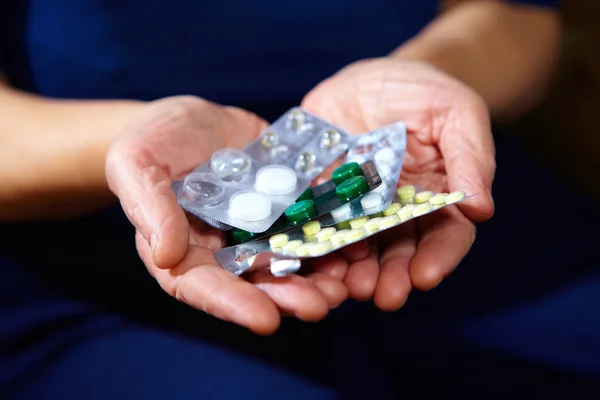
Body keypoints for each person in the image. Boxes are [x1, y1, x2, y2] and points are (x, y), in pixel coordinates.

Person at [4, 0, 591, 399]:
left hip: (429, 182)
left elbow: (519, 14)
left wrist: (419, 75)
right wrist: (133, 151)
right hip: (94, 264)